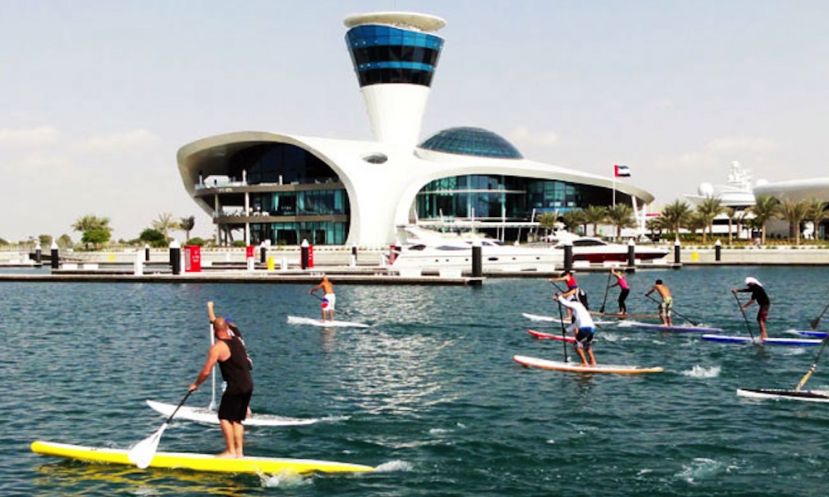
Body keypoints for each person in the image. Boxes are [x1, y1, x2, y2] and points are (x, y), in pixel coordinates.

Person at [189, 301, 254, 458]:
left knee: (224, 417)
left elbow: (206, 372)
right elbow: (218, 322)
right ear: (227, 328)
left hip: (235, 387)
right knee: (237, 420)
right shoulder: (237, 339)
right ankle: (239, 453)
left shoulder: (218, 347)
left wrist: (195, 385)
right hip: (248, 385)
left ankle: (230, 451)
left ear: (215, 331)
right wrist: (211, 309)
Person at [556, 293, 597, 366]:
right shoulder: (580, 310)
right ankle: (593, 361)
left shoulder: (576, 304)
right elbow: (576, 323)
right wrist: (566, 330)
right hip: (592, 328)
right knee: (586, 345)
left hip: (585, 328)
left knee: (576, 345)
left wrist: (559, 297)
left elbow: (565, 302)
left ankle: (584, 362)